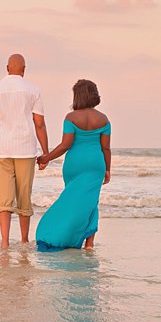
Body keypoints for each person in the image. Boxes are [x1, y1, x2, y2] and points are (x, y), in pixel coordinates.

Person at [0, 54, 50, 249]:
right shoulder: (33, 90)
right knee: (24, 195)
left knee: (4, 198)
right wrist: (45, 152)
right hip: (26, 148)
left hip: (1, 149)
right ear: (24, 69)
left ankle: (4, 242)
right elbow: (40, 124)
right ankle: (23, 239)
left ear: (7, 68)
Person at [35, 79, 111, 251]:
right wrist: (107, 169)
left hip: (75, 164)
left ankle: (60, 234)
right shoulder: (104, 119)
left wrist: (46, 158)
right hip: (96, 164)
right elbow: (105, 147)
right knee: (91, 202)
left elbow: (65, 145)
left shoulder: (71, 118)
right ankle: (89, 243)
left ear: (77, 96)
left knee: (71, 200)